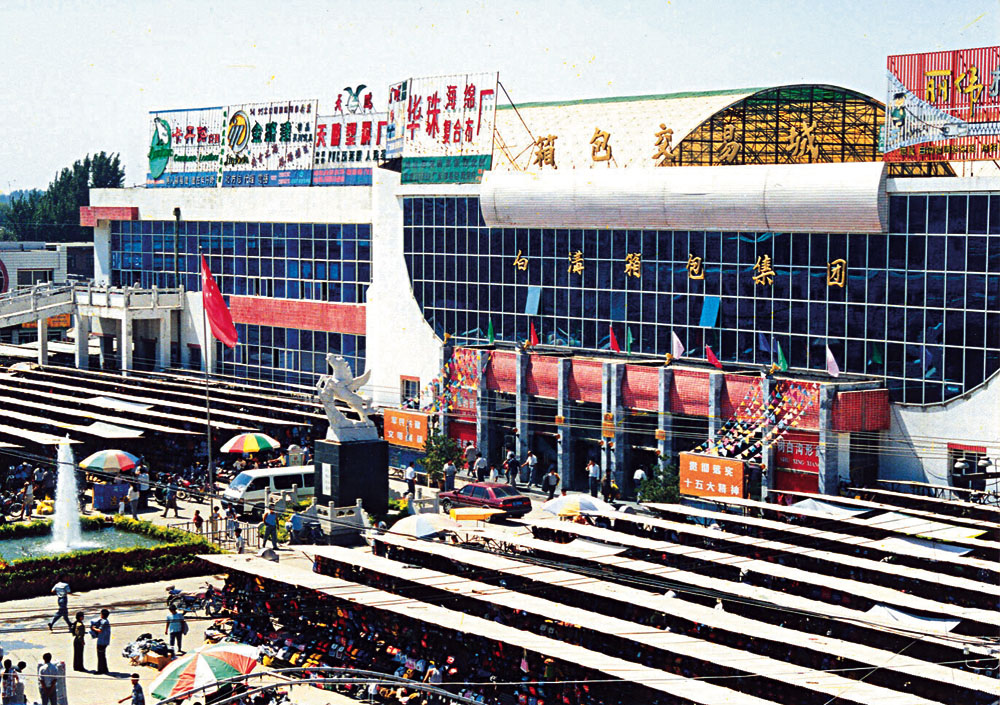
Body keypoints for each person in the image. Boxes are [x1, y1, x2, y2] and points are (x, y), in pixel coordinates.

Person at [91, 608, 111, 675]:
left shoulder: (103, 622)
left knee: (100, 656)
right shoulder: (106, 621)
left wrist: (93, 628)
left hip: (102, 641)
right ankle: (105, 669)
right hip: (105, 641)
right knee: (102, 655)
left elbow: (100, 630)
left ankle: (100, 670)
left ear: (102, 615)